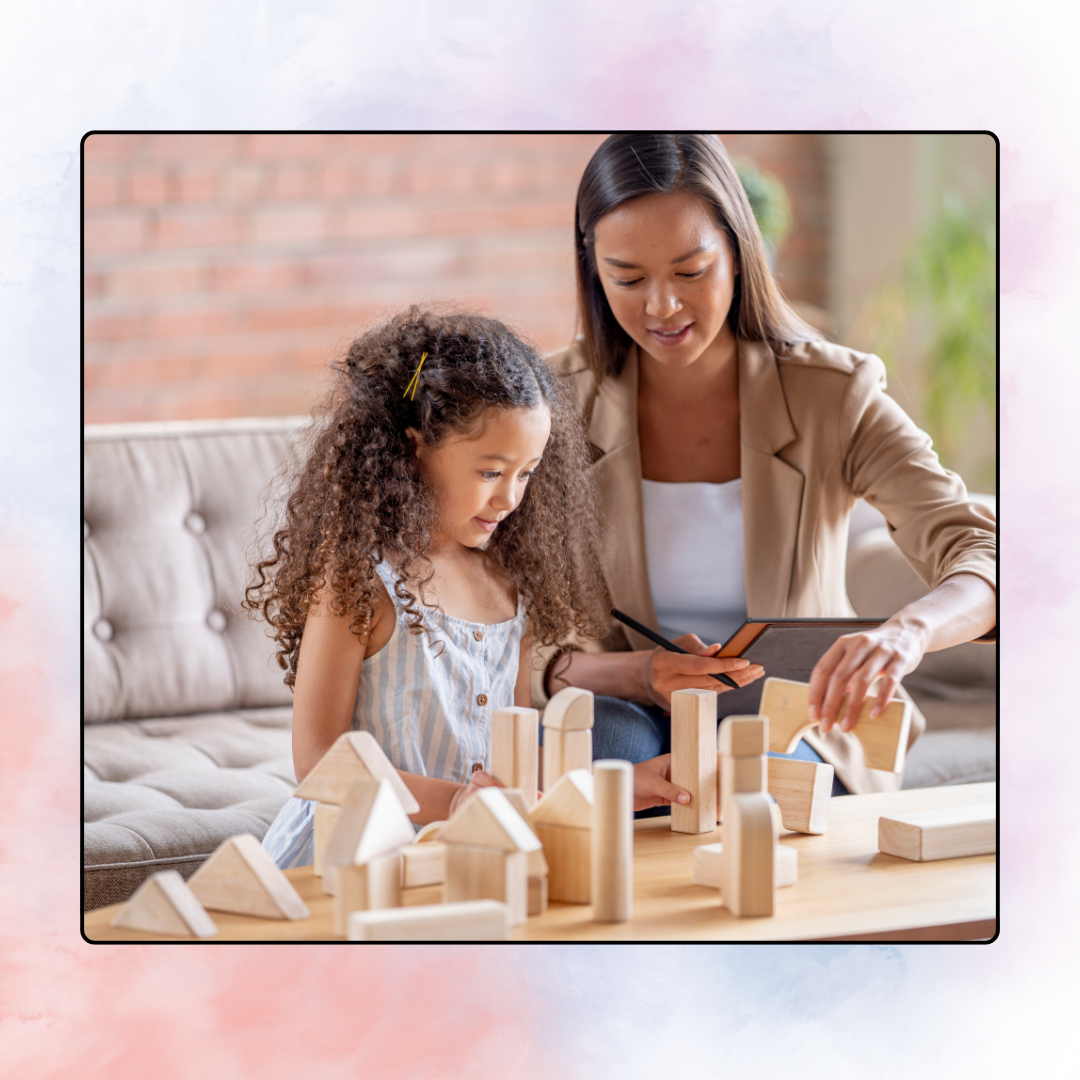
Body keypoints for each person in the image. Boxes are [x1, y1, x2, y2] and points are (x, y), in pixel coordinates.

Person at [537, 133, 997, 799]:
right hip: (617, 695)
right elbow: (496, 613)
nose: (661, 306)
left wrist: (907, 632)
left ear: (738, 255)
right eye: (628, 279)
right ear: (593, 269)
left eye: (690, 272)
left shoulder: (832, 394)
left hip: (788, 703)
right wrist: (640, 674)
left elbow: (979, 548)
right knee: (601, 788)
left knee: (768, 807)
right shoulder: (548, 402)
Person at [248, 307, 614, 868]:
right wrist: (457, 803)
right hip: (353, 854)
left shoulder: (510, 584)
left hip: (465, 852)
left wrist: (613, 786)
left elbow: (511, 754)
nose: (511, 498)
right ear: (415, 447)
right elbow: (320, 760)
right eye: (491, 472)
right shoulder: (359, 577)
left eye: (527, 472)